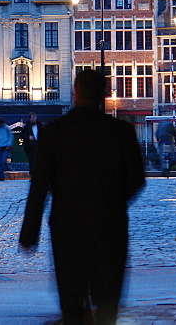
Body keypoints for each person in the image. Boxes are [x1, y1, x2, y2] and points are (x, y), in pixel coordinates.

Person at [20, 69, 145, 324]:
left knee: (72, 296)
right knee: (109, 298)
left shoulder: (55, 132)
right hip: (109, 222)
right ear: (104, 95)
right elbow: (136, 179)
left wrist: (29, 231)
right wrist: (113, 200)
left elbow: (40, 185)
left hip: (67, 222)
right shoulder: (121, 132)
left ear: (75, 92)